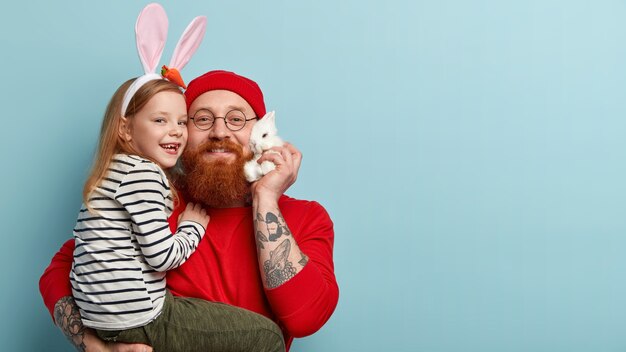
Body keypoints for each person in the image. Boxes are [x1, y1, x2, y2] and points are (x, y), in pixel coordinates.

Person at [40, 70, 339, 351]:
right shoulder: (153, 203)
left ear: (260, 130)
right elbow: (63, 268)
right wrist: (91, 344)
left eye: (236, 119)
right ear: (183, 131)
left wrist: (266, 198)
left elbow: (305, 319)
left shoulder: (307, 218)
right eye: (202, 119)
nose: (220, 131)